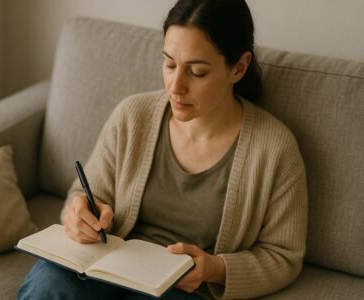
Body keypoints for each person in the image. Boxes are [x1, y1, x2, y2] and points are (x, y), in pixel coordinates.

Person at [18, 0, 308, 299]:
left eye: (196, 72)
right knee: (47, 285)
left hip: (181, 290)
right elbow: (85, 195)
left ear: (239, 67)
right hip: (108, 268)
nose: (175, 86)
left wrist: (215, 268)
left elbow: (283, 255)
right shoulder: (133, 116)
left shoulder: (274, 149)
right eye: (169, 64)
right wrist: (82, 215)